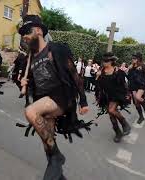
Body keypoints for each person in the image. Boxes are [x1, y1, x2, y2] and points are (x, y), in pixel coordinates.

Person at [18, 15, 89, 180]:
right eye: (23, 35)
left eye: (27, 33)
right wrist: (24, 81)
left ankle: (57, 157)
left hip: (61, 96)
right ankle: (57, 172)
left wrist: (83, 101)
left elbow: (74, 75)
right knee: (47, 140)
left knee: (30, 112)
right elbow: (34, 83)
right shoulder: (31, 57)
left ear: (38, 31)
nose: (25, 37)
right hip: (43, 99)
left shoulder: (55, 50)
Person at [96, 53, 131, 143]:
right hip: (106, 96)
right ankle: (118, 132)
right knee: (111, 115)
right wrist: (98, 76)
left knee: (112, 110)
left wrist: (127, 93)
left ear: (111, 61)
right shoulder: (102, 70)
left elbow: (124, 84)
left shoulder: (117, 71)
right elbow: (98, 84)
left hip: (116, 95)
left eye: (106, 61)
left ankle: (124, 123)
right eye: (103, 61)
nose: (104, 62)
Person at [128, 52, 145, 124]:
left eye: (134, 58)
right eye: (132, 58)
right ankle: (141, 116)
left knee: (138, 97)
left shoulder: (144, 66)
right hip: (133, 85)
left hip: (141, 84)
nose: (133, 59)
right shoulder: (131, 66)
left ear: (139, 59)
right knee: (136, 103)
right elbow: (129, 76)